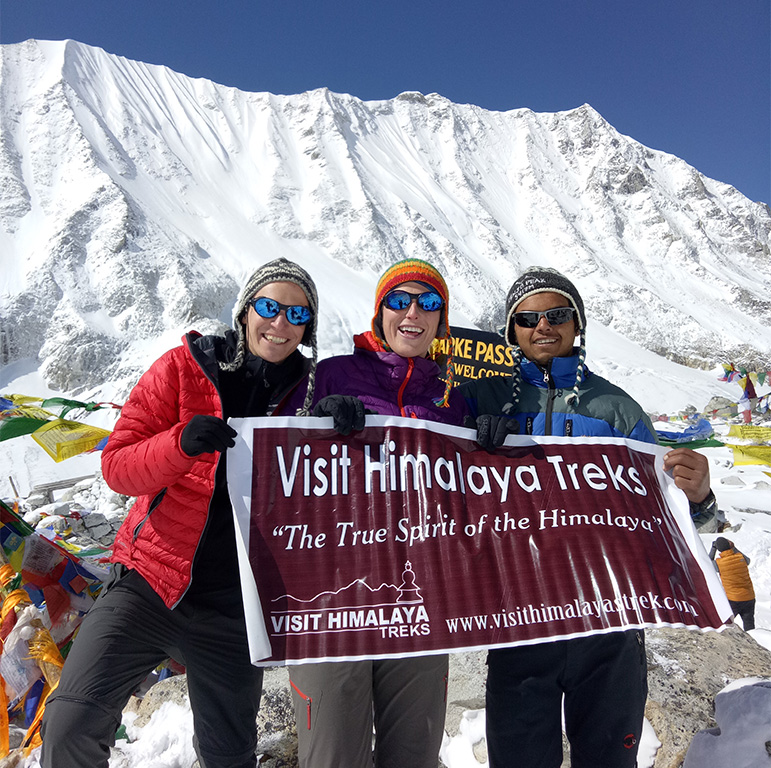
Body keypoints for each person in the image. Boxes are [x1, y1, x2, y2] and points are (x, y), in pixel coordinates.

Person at [40, 258, 319, 768]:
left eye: (297, 315)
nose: (280, 324)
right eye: (269, 307)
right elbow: (118, 467)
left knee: (229, 754)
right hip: (149, 583)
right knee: (71, 723)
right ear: (245, 310)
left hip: (236, 607)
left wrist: (348, 420)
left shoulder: (311, 393)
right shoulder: (183, 368)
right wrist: (178, 444)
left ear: (308, 327)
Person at [462, 266, 717, 768]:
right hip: (519, 622)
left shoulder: (618, 410)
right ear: (510, 330)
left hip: (610, 627)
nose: (543, 326)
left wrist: (701, 499)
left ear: (577, 325)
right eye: (528, 318)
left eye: (557, 314)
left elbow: (665, 517)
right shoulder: (479, 399)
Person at [280, 258, 468, 768]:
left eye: (429, 303)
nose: (413, 312)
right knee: (334, 752)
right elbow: (274, 456)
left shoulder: (452, 395)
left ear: (442, 319)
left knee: (414, 751)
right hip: (331, 597)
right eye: (399, 300)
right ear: (379, 310)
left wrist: (496, 448)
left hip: (421, 597)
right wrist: (312, 423)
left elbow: (475, 494)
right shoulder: (332, 373)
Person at [709, 536, 755, 630]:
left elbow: (707, 563)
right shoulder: (740, 557)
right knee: (749, 625)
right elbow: (748, 561)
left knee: (724, 625)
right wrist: (733, 548)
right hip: (749, 597)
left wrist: (713, 548)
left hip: (733, 600)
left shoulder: (719, 563)